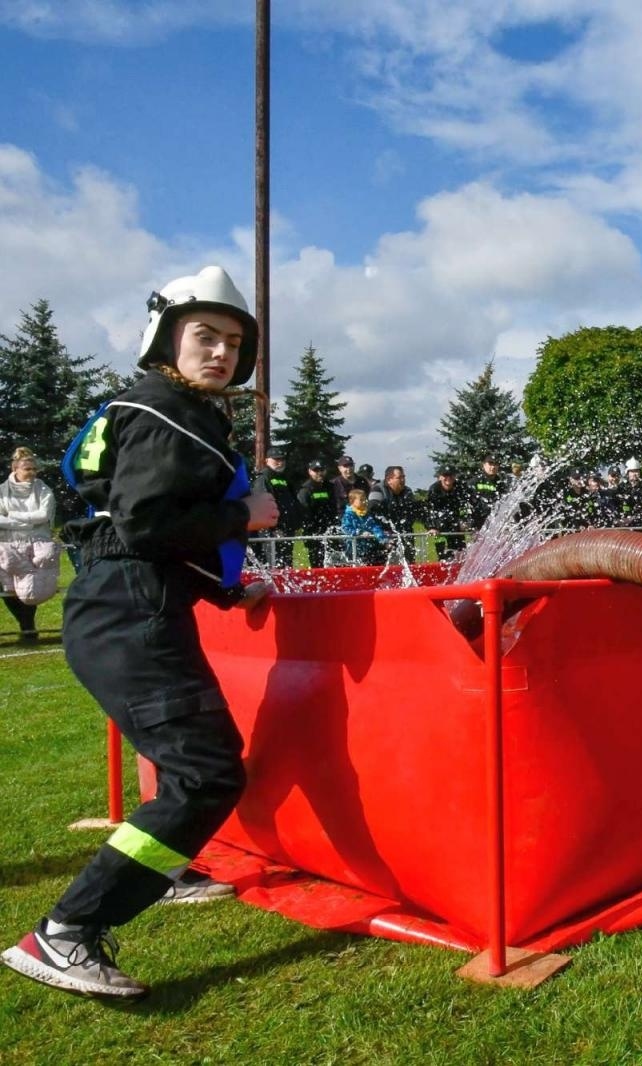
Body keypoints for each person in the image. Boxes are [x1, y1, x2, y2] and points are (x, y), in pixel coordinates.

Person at [2, 265, 278, 999]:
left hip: (126, 604)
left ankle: (164, 870)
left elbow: (139, 530)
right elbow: (146, 523)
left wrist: (230, 588)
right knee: (206, 773)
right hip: (131, 612)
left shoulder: (160, 405)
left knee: (186, 764)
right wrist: (243, 517)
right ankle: (65, 932)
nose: (220, 352)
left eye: (232, 342)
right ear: (166, 338)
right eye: (204, 337)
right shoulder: (166, 409)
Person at [0, 447, 60, 640]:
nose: (32, 473)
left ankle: (28, 627)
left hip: (37, 544)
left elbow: (43, 515)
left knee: (30, 587)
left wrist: (14, 516)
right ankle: (26, 627)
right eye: (27, 469)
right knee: (9, 589)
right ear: (15, 468)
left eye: (34, 469)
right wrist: (29, 521)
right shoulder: (2, 492)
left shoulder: (43, 490)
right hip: (9, 544)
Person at [250, 446, 300, 568]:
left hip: (287, 530)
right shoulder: (263, 478)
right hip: (271, 532)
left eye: (282, 459)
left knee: (287, 566)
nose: (280, 462)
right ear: (267, 461)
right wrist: (273, 528)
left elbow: (293, 502)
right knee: (274, 565)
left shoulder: (285, 479)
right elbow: (263, 507)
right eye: (276, 459)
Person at [369, 466, 426, 562]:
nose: (403, 480)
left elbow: (414, 511)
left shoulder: (407, 491)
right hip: (384, 535)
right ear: (389, 479)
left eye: (404, 477)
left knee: (409, 564)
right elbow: (372, 511)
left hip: (405, 534)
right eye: (399, 477)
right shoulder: (377, 489)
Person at [424, 466, 472, 561]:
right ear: (440, 477)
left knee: (461, 556)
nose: (448, 478)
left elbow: (467, 505)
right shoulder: (434, 489)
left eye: (451, 475)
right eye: (445, 475)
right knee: (444, 557)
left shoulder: (460, 487)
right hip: (440, 529)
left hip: (456, 528)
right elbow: (428, 511)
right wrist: (431, 527)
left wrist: (465, 520)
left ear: (454, 477)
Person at [296, 459, 338, 569]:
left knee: (333, 563)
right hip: (313, 532)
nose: (319, 473)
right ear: (310, 471)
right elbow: (303, 512)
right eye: (316, 470)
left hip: (329, 530)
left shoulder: (330, 487)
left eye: (322, 470)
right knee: (317, 563)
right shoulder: (305, 489)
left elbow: (334, 507)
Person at [340, 487, 388, 566]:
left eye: (365, 499)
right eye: (361, 500)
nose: (365, 502)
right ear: (352, 502)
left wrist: (381, 537)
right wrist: (360, 532)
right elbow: (345, 528)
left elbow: (373, 526)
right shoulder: (348, 515)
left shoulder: (366, 514)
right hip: (352, 548)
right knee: (354, 565)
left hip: (366, 547)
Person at [469, 456, 509, 531]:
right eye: (490, 464)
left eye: (495, 464)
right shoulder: (475, 481)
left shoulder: (501, 484)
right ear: (484, 465)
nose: (493, 467)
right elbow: (467, 501)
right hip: (478, 522)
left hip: (495, 523)